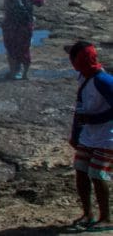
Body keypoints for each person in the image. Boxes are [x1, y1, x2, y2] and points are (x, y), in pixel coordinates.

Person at [69, 41, 113, 231]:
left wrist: (94, 119)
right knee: (81, 170)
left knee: (97, 174)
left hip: (107, 136)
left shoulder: (103, 81)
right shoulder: (84, 78)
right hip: (89, 135)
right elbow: (79, 109)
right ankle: (88, 213)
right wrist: (75, 134)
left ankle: (106, 218)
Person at [1, 0, 46, 80]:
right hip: (26, 23)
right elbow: (41, 3)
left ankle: (13, 72)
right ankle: (25, 74)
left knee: (11, 47)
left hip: (10, 23)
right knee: (24, 48)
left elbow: (5, 5)